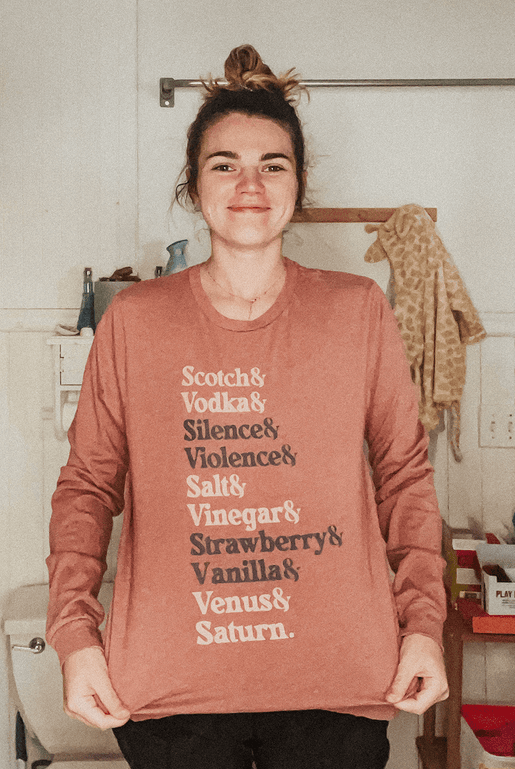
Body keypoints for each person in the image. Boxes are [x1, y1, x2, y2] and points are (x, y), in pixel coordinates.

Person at [46, 45, 448, 769]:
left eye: (273, 165)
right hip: (172, 697)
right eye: (224, 164)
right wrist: (74, 636)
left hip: (337, 687)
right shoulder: (134, 320)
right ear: (193, 184)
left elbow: (404, 476)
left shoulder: (357, 309)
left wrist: (423, 622)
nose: (250, 185)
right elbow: (87, 486)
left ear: (299, 183)